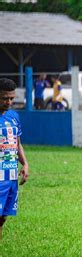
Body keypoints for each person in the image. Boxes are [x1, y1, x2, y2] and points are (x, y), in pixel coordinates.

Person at [0, 78, 29, 240]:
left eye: (11, 98)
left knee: (2, 220)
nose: (9, 102)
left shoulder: (14, 117)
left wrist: (24, 164)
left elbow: (17, 144)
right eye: (5, 98)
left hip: (10, 177)